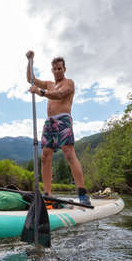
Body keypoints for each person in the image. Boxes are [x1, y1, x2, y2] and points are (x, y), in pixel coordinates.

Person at [26, 50, 91, 206]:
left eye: (59, 68)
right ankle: (48, 194)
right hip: (49, 122)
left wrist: (40, 92)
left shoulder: (69, 83)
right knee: (45, 156)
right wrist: (30, 62)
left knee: (69, 154)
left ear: (64, 69)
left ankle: (82, 194)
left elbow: (60, 95)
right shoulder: (49, 84)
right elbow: (31, 79)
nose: (57, 71)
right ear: (52, 70)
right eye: (54, 69)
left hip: (63, 120)